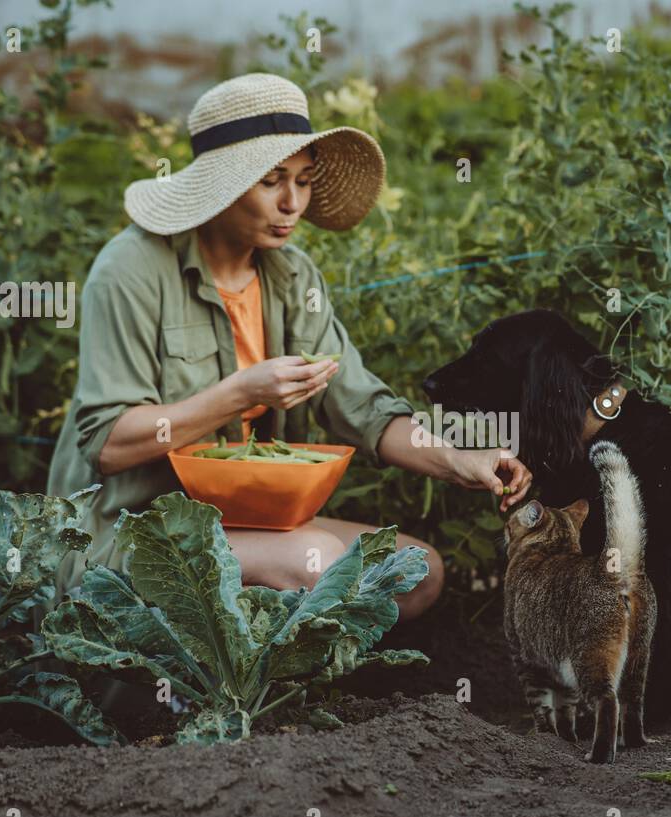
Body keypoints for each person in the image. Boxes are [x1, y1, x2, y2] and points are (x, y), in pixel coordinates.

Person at [47, 73, 531, 619]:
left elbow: (364, 410)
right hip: (132, 529)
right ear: (223, 183)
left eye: (303, 180)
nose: (292, 203)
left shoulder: (292, 277)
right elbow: (109, 442)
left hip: (252, 522)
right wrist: (239, 393)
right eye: (272, 180)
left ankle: (272, 688)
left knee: (414, 571)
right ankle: (192, 690)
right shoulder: (131, 270)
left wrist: (459, 458)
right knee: (314, 562)